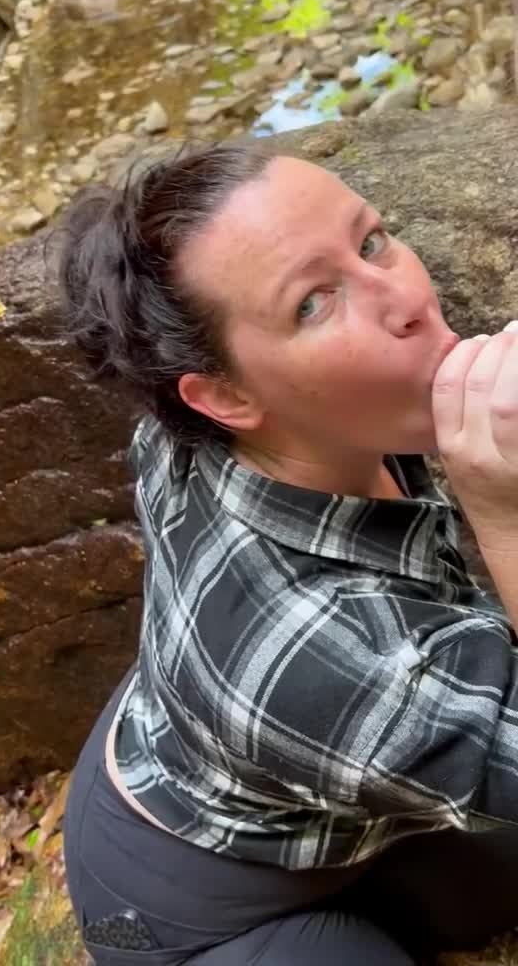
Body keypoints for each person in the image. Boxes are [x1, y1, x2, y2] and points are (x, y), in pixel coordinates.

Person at [58, 143, 518, 965]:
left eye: (371, 241)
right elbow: (327, 665)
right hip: (178, 899)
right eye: (312, 303)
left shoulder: (214, 428)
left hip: (226, 760)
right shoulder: (317, 653)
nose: (409, 297)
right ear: (224, 394)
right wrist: (505, 517)